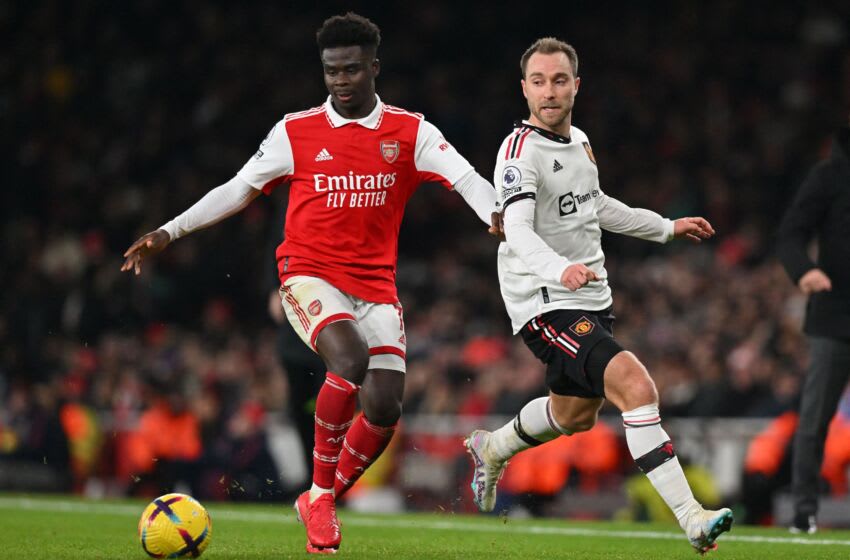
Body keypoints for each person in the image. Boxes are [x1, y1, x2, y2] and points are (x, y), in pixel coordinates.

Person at [121, 12, 498, 554]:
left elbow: (466, 178)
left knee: (385, 408)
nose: (340, 80)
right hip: (307, 274)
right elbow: (238, 188)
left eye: (351, 69)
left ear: (374, 67)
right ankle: (321, 496)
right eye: (331, 71)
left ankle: (319, 499)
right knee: (350, 360)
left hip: (376, 287)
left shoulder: (411, 132)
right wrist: (170, 230)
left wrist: (496, 214)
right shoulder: (294, 132)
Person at [464, 37, 733, 554]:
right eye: (538, 81)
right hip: (545, 301)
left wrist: (666, 227)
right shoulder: (519, 153)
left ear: (576, 86)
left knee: (574, 416)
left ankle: (492, 446)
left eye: (558, 80)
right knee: (635, 386)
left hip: (588, 296)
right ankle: (692, 518)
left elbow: (596, 205)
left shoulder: (580, 141)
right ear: (524, 89)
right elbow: (516, 229)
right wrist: (559, 268)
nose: (549, 91)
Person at [776, 117, 850, 534]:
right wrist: (804, 270)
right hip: (835, 314)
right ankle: (803, 512)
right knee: (815, 418)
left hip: (833, 314)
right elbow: (790, 234)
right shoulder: (830, 175)